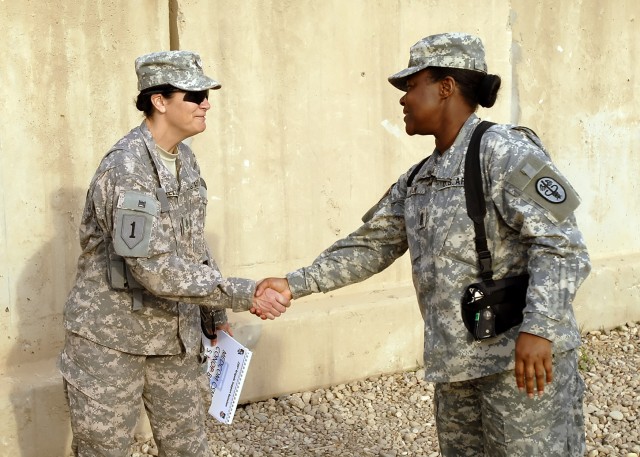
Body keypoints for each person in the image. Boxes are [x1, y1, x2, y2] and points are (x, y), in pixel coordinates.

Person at [257, 33, 590, 456]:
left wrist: (540, 328)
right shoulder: (419, 179)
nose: (402, 100)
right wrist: (293, 283)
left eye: (411, 86)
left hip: (518, 364)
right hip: (456, 367)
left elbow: (562, 243)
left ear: (446, 87)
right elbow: (371, 245)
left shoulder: (503, 151)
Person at [59, 50, 290, 456]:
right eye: (195, 95)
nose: (206, 103)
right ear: (159, 101)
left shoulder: (183, 158)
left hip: (173, 338)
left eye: (206, 95)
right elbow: (155, 268)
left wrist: (215, 317)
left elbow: (192, 245)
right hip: (113, 343)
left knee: (188, 447)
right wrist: (244, 292)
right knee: (103, 449)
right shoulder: (127, 169)